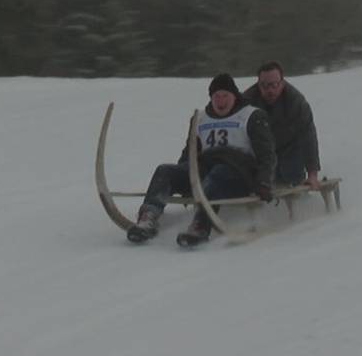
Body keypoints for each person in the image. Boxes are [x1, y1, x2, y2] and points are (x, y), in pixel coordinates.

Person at [127, 73, 276, 245]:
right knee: (165, 170)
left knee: (218, 174)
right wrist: (182, 177)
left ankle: (200, 225)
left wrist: (265, 180)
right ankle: (148, 217)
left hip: (239, 173)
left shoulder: (251, 115)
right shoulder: (200, 118)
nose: (221, 101)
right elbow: (190, 151)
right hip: (205, 169)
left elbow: (267, 153)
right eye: (216, 96)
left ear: (234, 96)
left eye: (225, 96)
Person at [242, 61, 322, 189]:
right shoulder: (246, 102)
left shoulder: (296, 102)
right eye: (264, 86)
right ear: (258, 85)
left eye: (274, 85)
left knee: (291, 176)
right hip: (260, 151)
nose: (270, 90)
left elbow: (308, 137)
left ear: (282, 83)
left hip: (289, 147)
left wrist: (313, 175)